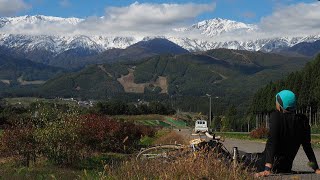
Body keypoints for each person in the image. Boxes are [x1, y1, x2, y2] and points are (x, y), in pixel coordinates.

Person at [255, 90, 320, 177]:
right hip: (285, 168)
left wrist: (267, 169)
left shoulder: (276, 117)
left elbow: (272, 142)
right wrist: (316, 168)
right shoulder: (302, 121)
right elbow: (307, 147)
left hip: (263, 164)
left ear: (280, 106)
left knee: (242, 157)